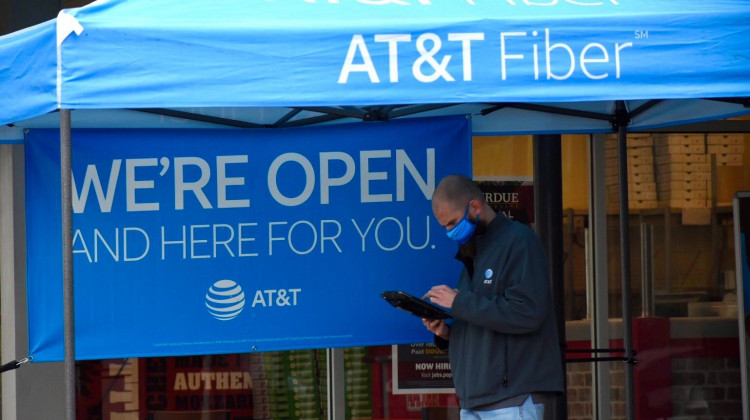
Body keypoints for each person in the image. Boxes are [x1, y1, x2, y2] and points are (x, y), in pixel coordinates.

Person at [422, 174, 563, 420]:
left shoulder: (518, 241)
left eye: (453, 223)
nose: (449, 232)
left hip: (512, 397)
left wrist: (459, 302)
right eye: (444, 226)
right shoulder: (475, 249)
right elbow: (484, 320)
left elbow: (527, 313)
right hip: (475, 399)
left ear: (475, 206)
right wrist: (446, 334)